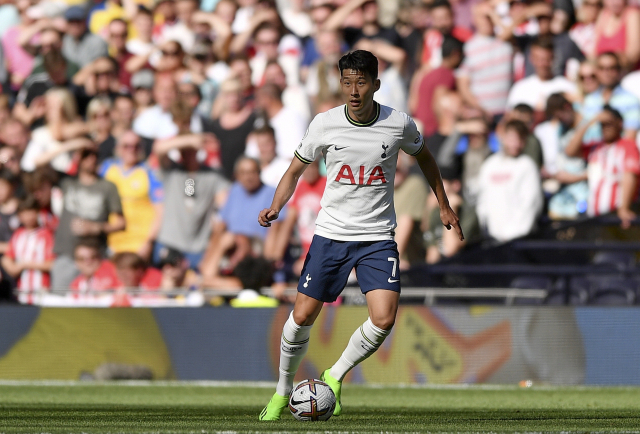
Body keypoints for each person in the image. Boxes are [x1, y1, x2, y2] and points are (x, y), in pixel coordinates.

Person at [256, 50, 462, 420]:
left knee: (383, 318)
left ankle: (334, 376)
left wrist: (444, 205)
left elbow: (426, 158)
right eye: (347, 82)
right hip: (331, 234)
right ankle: (282, 391)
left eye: (361, 82)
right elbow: (294, 170)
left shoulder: (398, 124)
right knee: (302, 317)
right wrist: (276, 206)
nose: (353, 90)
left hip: (377, 236)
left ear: (376, 85)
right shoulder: (324, 123)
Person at [564, 105, 639, 228]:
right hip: (594, 216)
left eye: (609, 124)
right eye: (602, 125)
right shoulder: (596, 148)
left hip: (614, 216)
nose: (605, 128)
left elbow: (630, 175)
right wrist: (590, 121)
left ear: (619, 124)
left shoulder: (627, 146)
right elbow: (570, 151)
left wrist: (623, 208)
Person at [476, 120, 543, 242]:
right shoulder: (489, 165)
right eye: (512, 139)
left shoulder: (527, 166)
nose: (516, 144)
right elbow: (482, 200)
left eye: (520, 140)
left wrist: (512, 234)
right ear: (503, 137)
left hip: (519, 240)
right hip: (492, 238)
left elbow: (531, 203)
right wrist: (486, 227)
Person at [1, 196, 55, 304]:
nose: (28, 217)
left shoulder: (46, 235)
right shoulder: (18, 234)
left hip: (42, 293)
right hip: (21, 294)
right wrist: (12, 268)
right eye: (24, 214)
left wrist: (24, 264)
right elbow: (7, 257)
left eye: (31, 212)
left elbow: (52, 264)